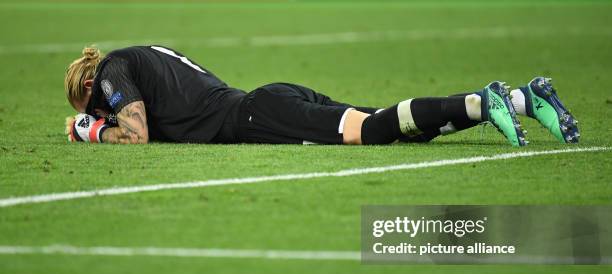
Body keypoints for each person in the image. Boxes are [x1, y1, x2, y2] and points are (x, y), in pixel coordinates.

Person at [64, 46, 579, 146]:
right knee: (390, 126)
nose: (102, 109)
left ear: (91, 86)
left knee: (374, 132)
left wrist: (92, 130)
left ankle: (485, 101)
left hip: (255, 115)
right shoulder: (148, 55)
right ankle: (516, 100)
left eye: (94, 104)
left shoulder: (112, 67)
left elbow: (137, 134)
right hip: (267, 97)